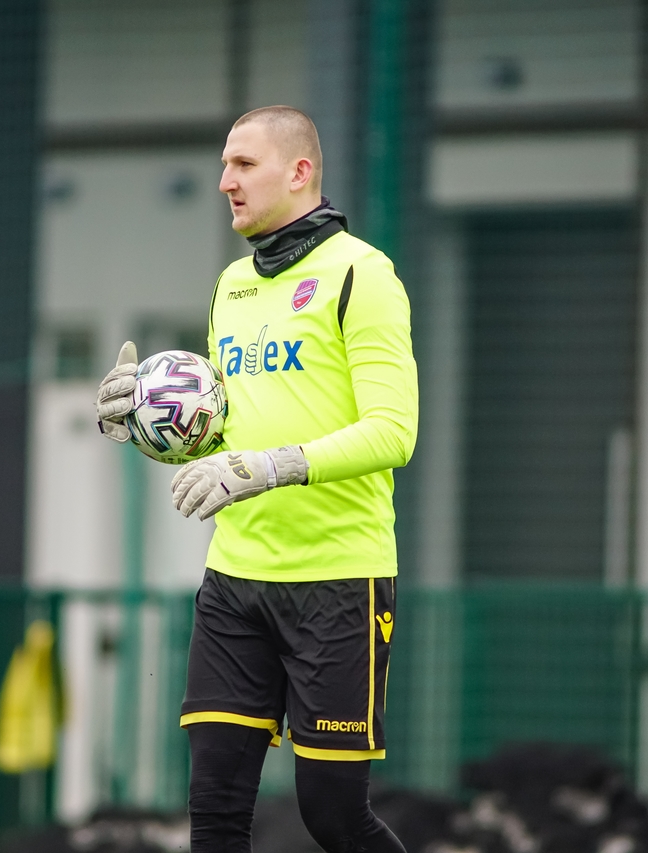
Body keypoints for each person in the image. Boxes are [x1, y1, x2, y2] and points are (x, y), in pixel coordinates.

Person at [96, 105, 418, 853]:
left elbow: (393, 432)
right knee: (213, 814)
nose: (224, 182)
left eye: (243, 164)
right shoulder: (232, 285)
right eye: (223, 165)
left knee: (332, 815)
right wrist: (142, 424)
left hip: (339, 580)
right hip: (235, 579)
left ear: (300, 171)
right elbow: (225, 436)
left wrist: (273, 467)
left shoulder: (362, 274)